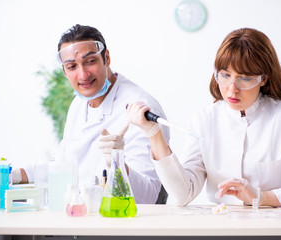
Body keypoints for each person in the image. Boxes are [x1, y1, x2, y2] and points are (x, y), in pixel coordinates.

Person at [126, 28, 281, 207]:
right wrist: (153, 134)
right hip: (223, 226)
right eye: (225, 75)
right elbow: (183, 194)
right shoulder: (204, 119)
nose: (232, 89)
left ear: (264, 79)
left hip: (278, 226)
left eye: (245, 78)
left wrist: (262, 197)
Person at [13, 24, 170, 204]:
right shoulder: (79, 104)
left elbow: (149, 197)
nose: (83, 74)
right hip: (83, 214)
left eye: (90, 61)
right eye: (72, 66)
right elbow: (64, 165)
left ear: (107, 58)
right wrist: (15, 175)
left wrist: (118, 165)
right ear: (65, 71)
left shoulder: (140, 108)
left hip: (120, 225)